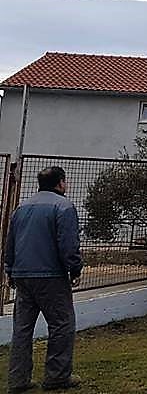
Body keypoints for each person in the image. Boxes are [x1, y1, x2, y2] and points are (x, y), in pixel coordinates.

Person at [5, 166, 83, 392]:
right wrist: (75, 268)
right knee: (61, 325)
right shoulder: (64, 206)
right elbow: (68, 245)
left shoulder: (21, 208)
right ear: (60, 183)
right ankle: (57, 376)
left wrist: (10, 269)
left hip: (22, 276)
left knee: (21, 329)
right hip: (51, 276)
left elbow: (10, 242)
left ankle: (18, 381)